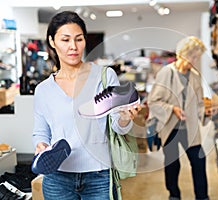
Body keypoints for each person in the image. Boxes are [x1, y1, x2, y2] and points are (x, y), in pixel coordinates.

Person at [32, 11, 141, 200]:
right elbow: (41, 132)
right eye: (65, 40)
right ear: (52, 42)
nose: (73, 47)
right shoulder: (44, 90)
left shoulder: (104, 77)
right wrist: (41, 146)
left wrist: (125, 118)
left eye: (79, 39)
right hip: (57, 178)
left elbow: (118, 127)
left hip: (99, 176)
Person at [147, 36, 209, 200]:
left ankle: (202, 197)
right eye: (193, 56)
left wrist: (205, 112)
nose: (195, 60)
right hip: (171, 128)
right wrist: (172, 109)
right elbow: (153, 101)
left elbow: (200, 102)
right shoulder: (166, 73)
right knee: (172, 165)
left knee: (199, 162)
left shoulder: (195, 76)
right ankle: (174, 195)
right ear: (183, 53)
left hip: (190, 127)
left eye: (197, 57)